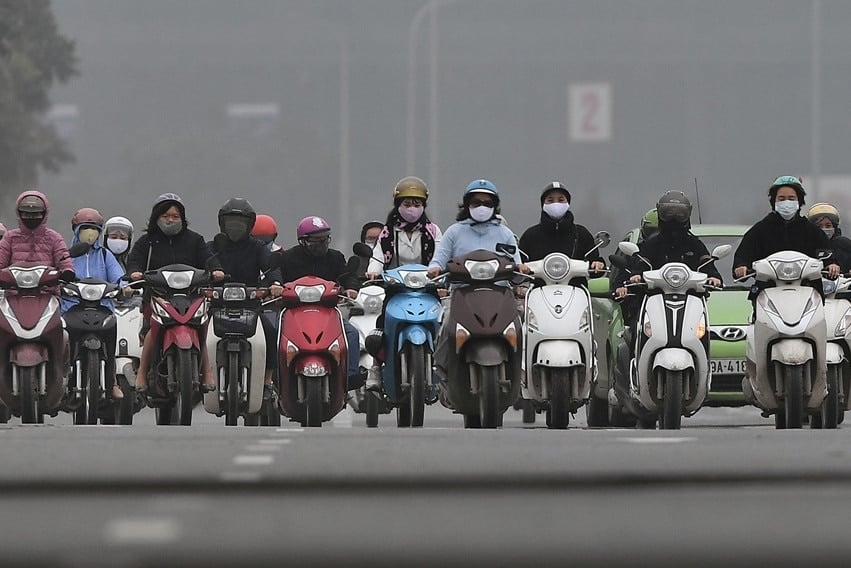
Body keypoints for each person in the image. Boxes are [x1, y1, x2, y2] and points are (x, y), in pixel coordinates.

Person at [125, 193, 224, 394]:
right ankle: (143, 373)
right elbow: (134, 261)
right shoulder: (147, 242)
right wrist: (134, 273)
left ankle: (206, 371)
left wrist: (216, 270)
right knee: (153, 329)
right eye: (166, 216)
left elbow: (208, 259)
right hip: (157, 296)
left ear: (183, 218)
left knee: (200, 327)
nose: (171, 220)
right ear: (156, 217)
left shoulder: (195, 240)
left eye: (175, 216)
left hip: (191, 296)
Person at [362, 176, 442, 390]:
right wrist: (372, 272)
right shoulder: (388, 232)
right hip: (396, 288)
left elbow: (440, 255)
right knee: (381, 327)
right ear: (398, 205)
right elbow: (378, 257)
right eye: (407, 204)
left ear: (424, 206)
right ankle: (377, 367)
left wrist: (438, 271)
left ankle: (444, 368)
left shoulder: (432, 231)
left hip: (427, 288)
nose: (412, 208)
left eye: (416, 204)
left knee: (444, 325)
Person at [271, 216, 364, 389]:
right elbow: (276, 276)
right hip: (293, 313)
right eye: (315, 241)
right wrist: (275, 286)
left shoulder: (336, 258)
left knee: (351, 334)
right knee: (273, 334)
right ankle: (273, 377)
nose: (320, 244)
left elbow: (347, 276)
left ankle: (350, 376)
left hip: (328, 312)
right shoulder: (287, 258)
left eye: (324, 239)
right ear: (303, 241)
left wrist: (351, 288)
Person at [210, 197, 283, 399]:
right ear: (222, 223)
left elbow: (271, 268)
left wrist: (275, 284)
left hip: (251, 305)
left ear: (249, 225)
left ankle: (267, 381)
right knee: (198, 330)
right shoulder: (213, 246)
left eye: (240, 222)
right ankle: (202, 375)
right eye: (230, 222)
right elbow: (201, 265)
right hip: (217, 305)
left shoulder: (257, 247)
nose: (235, 227)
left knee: (271, 330)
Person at [60, 208, 126, 400]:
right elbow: (57, 272)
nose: (90, 233)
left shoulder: (105, 255)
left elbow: (119, 277)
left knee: (112, 336)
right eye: (85, 228)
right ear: (76, 230)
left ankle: (112, 380)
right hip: (71, 306)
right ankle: (60, 377)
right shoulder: (67, 254)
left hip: (102, 307)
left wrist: (124, 287)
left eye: (94, 229)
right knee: (61, 337)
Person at [733, 176, 840, 286]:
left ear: (799, 201)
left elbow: (828, 255)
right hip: (768, 290)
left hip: (807, 290)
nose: (787, 202)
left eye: (791, 198)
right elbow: (744, 255)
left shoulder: (812, 231)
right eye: (782, 199)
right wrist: (741, 267)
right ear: (774, 201)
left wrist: (831, 265)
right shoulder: (760, 230)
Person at [426, 179, 523, 278]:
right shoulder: (453, 232)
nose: (481, 207)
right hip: (461, 289)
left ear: (494, 206)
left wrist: (521, 269)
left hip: (499, 289)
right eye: (476, 203)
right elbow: (439, 261)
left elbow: (517, 264)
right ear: (467, 205)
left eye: (487, 204)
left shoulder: (505, 233)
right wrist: (435, 268)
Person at [518, 181, 605, 285]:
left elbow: (594, 265)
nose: (556, 204)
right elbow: (518, 267)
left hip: (576, 293)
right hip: (538, 294)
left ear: (567, 203)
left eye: (561, 200)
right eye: (550, 200)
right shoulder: (531, 235)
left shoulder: (581, 233)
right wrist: (520, 269)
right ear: (543, 205)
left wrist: (598, 265)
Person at [0, 191, 74, 279]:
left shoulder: (53, 237)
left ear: (44, 214)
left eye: (36, 214)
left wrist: (67, 271)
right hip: (15, 291)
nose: (31, 217)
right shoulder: (10, 237)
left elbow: (63, 259)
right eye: (26, 214)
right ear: (19, 214)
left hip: (47, 290)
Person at [806, 202, 851, 274]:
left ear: (834, 227)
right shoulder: (806, 246)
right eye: (819, 226)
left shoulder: (844, 244)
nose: (824, 229)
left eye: (828, 226)